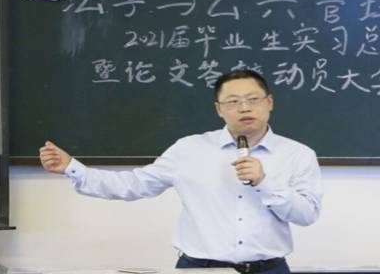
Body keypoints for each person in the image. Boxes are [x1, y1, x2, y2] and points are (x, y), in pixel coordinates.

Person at [39, 69, 323, 274]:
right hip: (198, 268)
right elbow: (134, 184)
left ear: (269, 102)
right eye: (233, 101)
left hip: (269, 269)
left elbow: (306, 215)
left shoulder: (298, 154)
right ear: (218, 109)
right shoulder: (189, 149)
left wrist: (265, 181)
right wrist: (72, 168)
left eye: (253, 99)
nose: (244, 107)